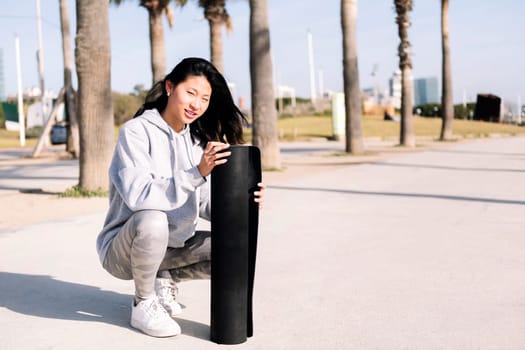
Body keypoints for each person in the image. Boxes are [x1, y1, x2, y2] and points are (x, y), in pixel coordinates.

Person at [96, 57, 265, 338]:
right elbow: (139, 197)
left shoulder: (197, 142)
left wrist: (246, 201)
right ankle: (143, 302)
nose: (196, 104)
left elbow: (206, 204)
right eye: (191, 93)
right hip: (123, 250)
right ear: (170, 87)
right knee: (153, 219)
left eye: (205, 98)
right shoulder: (136, 132)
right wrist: (196, 172)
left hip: (172, 248)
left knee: (235, 245)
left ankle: (164, 277)